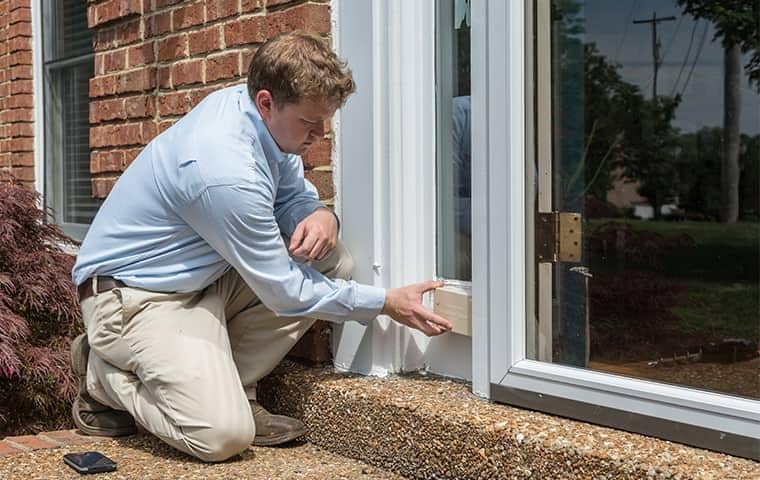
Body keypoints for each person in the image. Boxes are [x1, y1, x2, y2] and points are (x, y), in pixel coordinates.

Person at [70, 31, 452, 462]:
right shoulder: (223, 169)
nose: (319, 135)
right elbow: (285, 292)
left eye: (325, 121)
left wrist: (320, 212)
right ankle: (100, 372)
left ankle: (231, 387)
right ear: (268, 102)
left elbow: (290, 193)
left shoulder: (257, 114)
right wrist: (385, 302)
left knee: (331, 259)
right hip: (134, 299)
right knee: (223, 437)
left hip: (202, 278)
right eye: (310, 123)